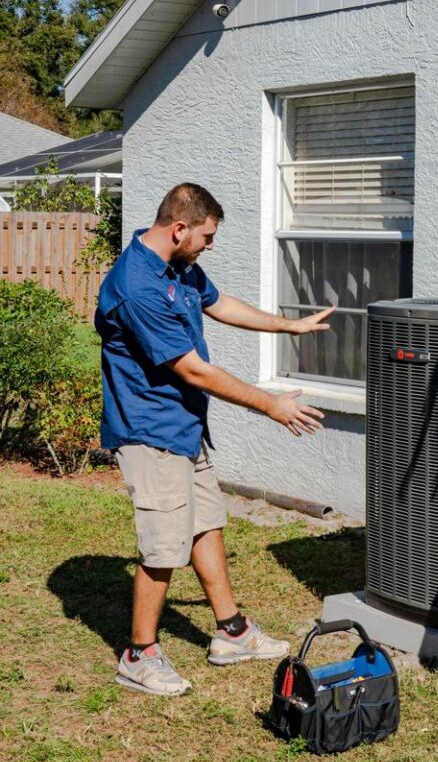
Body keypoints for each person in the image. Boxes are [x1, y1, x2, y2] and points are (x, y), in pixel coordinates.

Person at [96, 183, 333, 697]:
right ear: (179, 229)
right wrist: (271, 404)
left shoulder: (178, 267)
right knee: (162, 547)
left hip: (184, 426)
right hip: (149, 429)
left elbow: (220, 303)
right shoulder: (136, 285)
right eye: (206, 236)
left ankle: (231, 632)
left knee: (205, 524)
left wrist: (288, 328)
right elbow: (194, 371)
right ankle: (139, 655)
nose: (210, 244)